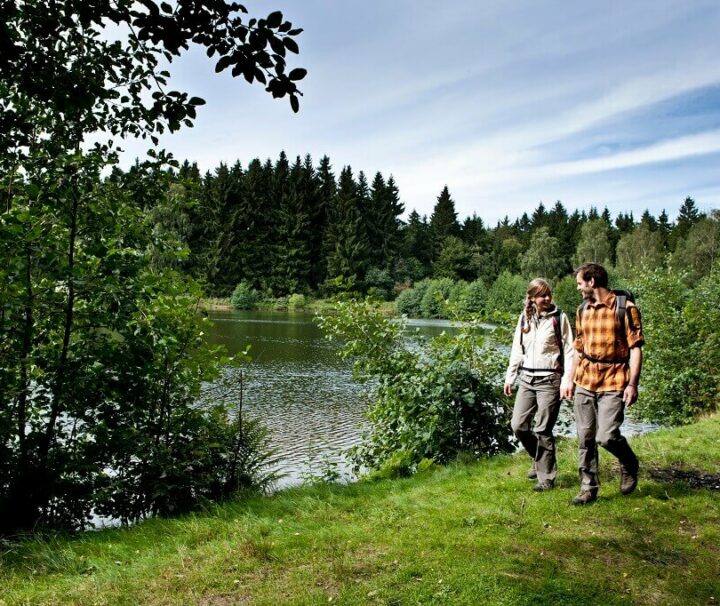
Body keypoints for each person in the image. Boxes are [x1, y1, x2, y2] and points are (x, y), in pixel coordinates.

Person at [561, 262, 644, 505]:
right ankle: (588, 488)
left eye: (579, 283)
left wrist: (633, 384)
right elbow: (578, 349)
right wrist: (570, 379)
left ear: (592, 282)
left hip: (615, 379)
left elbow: (636, 349)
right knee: (585, 437)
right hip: (585, 379)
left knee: (606, 436)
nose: (578, 288)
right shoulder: (582, 310)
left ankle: (629, 462)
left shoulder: (626, 309)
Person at [504, 278, 575, 492]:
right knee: (518, 425)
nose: (547, 298)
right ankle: (538, 457)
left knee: (543, 428)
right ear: (532, 298)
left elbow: (570, 351)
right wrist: (510, 376)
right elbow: (517, 349)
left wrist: (567, 380)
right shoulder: (524, 318)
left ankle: (546, 477)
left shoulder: (559, 318)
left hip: (549, 380)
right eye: (542, 295)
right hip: (526, 379)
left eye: (548, 294)